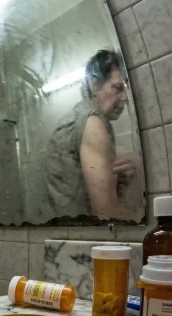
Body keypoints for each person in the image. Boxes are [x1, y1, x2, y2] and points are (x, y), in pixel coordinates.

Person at [45, 50, 134, 221]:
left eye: (127, 88)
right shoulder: (92, 122)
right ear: (94, 84)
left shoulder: (77, 117)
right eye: (118, 88)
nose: (126, 97)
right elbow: (107, 214)